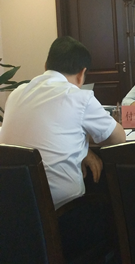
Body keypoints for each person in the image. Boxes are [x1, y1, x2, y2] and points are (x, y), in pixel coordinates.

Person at [0, 36, 126, 260]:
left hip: (14, 218)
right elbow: (118, 139)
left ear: (46, 66)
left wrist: (84, 150)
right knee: (114, 214)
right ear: (82, 73)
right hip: (62, 219)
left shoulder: (16, 94)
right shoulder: (78, 97)